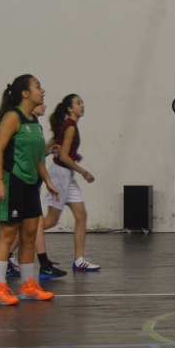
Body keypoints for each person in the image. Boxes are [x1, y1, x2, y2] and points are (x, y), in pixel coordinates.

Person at [0, 74, 60, 306]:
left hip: (30, 184)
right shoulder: (12, 117)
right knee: (8, 234)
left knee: (29, 234)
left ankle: (28, 286)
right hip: (11, 180)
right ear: (25, 93)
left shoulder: (34, 121)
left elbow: (38, 159)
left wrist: (48, 181)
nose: (43, 90)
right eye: (38, 86)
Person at [43, 94, 101, 272]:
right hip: (59, 176)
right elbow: (63, 157)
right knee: (50, 221)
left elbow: (56, 147)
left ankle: (79, 260)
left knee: (81, 215)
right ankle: (10, 252)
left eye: (82, 102)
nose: (82, 105)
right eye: (78, 103)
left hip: (67, 175)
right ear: (69, 109)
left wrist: (75, 156)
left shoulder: (66, 124)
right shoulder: (70, 126)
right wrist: (84, 172)